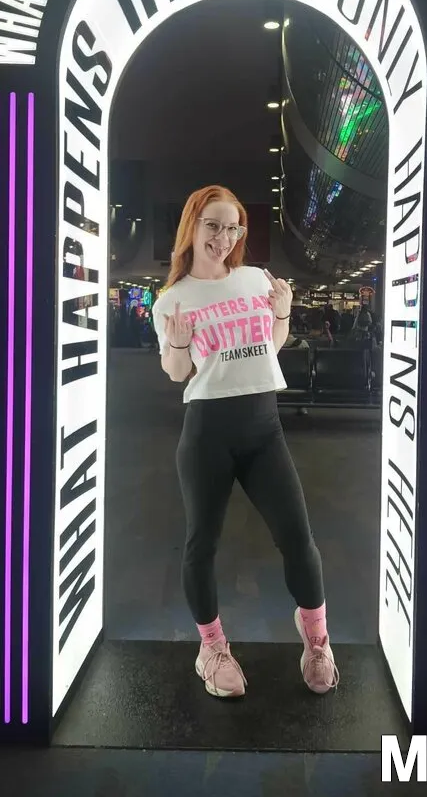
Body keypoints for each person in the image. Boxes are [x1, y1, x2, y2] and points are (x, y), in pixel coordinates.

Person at [151, 185, 339, 700]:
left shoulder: (256, 279)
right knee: (201, 545)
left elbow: (270, 349)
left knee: (298, 538)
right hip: (207, 433)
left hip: (264, 429)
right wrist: (180, 341)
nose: (224, 237)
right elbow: (177, 372)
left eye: (233, 227)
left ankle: (317, 641)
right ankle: (212, 648)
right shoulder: (172, 299)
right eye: (213, 225)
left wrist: (282, 314)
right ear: (192, 225)